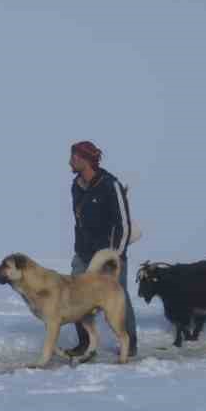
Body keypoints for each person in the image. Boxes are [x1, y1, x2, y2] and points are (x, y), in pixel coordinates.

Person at [67, 140, 138, 359]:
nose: (70, 161)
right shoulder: (76, 185)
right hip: (83, 255)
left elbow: (123, 224)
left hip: (108, 256)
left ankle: (130, 344)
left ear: (86, 160)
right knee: (75, 297)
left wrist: (115, 255)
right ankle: (87, 345)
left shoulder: (110, 184)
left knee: (118, 299)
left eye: (74, 157)